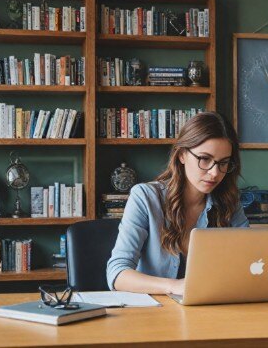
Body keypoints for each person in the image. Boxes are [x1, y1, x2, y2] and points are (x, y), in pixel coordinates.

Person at [106, 112, 249, 296]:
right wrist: (173, 286)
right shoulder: (145, 197)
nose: (215, 173)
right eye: (205, 159)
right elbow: (117, 274)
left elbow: (248, 261)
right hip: (152, 315)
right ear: (182, 155)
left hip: (210, 312)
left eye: (223, 163)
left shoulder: (229, 202)